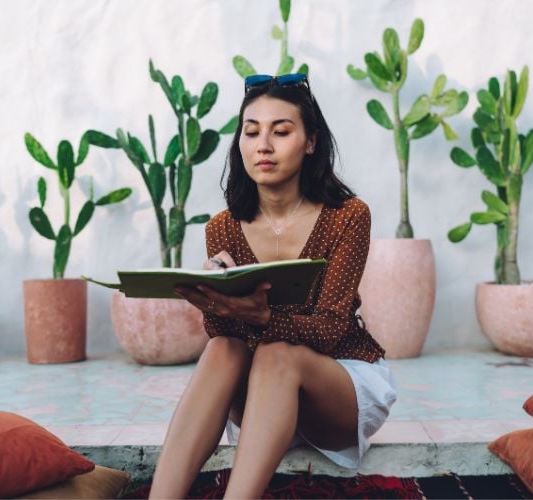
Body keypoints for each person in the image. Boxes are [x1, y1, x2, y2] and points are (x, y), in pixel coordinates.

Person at [148, 73, 397, 499]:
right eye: (251, 132)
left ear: (311, 141)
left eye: (281, 131)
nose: (263, 145)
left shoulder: (348, 216)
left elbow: (333, 328)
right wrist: (216, 300)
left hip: (334, 386)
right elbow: (227, 337)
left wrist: (263, 316)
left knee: (278, 355)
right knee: (223, 348)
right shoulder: (223, 228)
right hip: (261, 398)